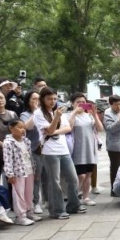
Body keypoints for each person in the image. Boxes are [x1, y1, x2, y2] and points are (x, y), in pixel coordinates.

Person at [32, 88, 85, 220]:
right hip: (49, 151)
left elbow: (67, 128)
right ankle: (57, 210)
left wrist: (54, 131)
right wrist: (56, 118)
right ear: (42, 99)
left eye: (55, 98)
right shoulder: (39, 113)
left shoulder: (59, 111)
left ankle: (73, 205)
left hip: (64, 149)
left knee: (73, 178)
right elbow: (49, 129)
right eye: (49, 99)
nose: (53, 101)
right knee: (54, 181)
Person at [3, 119, 42, 226]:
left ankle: (30, 211)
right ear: (11, 128)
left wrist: (34, 170)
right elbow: (7, 159)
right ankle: (21, 216)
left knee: (29, 192)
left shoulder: (26, 141)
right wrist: (9, 174)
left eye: (24, 127)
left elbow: (30, 156)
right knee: (19, 194)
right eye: (19, 127)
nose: (23, 130)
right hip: (17, 172)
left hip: (29, 169)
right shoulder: (8, 143)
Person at [68, 93, 102, 206]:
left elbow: (100, 128)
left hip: (90, 148)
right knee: (80, 175)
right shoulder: (69, 115)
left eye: (83, 102)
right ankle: (74, 196)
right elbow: (68, 127)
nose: (81, 104)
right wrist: (74, 113)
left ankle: (86, 197)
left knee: (88, 174)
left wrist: (95, 114)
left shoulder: (89, 116)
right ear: (72, 103)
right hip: (77, 149)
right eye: (78, 102)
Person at [20, 90, 47, 214]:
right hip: (34, 149)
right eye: (34, 99)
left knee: (48, 176)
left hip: (47, 148)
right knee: (36, 177)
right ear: (28, 101)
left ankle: (47, 199)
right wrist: (36, 112)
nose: (37, 102)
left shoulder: (46, 113)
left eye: (38, 99)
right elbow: (27, 127)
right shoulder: (25, 114)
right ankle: (36, 202)